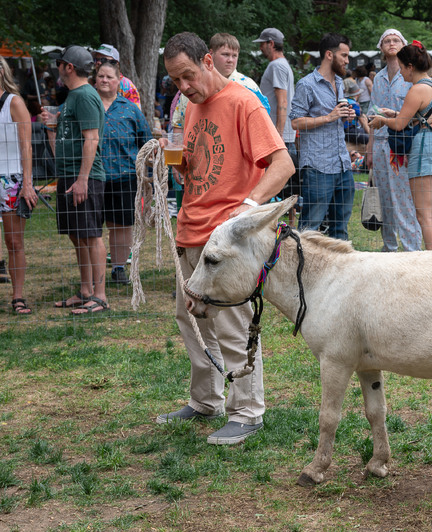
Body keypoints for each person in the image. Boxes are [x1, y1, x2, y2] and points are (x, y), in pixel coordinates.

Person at [156, 32, 294, 445]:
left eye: (187, 76)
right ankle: (205, 400)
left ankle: (247, 413)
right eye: (175, 81)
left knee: (233, 324)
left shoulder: (243, 101)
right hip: (191, 227)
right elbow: (207, 166)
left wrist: (250, 205)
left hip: (226, 240)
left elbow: (282, 163)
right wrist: (181, 166)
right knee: (193, 321)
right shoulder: (191, 107)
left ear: (208, 62)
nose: (183, 87)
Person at [43, 46, 110, 314]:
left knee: (91, 235)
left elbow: (91, 138)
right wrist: (51, 126)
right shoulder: (72, 97)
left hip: (86, 177)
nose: (57, 67)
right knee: (77, 235)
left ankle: (100, 296)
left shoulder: (84, 96)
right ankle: (85, 291)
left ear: (68, 67)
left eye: (59, 63)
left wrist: (82, 180)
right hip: (69, 175)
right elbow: (63, 142)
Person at [369, 40, 432, 250]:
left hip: (425, 150)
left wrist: (383, 121)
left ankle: (430, 260)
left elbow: (400, 125)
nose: (402, 74)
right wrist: (395, 114)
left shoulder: (417, 89)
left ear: (410, 67)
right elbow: (421, 117)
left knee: (424, 215)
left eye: (402, 67)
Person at [290, 33, 355, 241]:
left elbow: (336, 118)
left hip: (342, 164)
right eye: (344, 55)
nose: (347, 60)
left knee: (340, 230)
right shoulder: (306, 85)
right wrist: (329, 117)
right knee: (310, 229)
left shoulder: (339, 82)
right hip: (318, 167)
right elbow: (296, 122)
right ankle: (299, 270)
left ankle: (339, 271)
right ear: (329, 55)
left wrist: (345, 116)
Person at [94, 61, 151, 285]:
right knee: (93, 226)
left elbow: (145, 141)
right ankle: (93, 270)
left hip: (125, 176)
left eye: (109, 77)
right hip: (94, 176)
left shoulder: (130, 109)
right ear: (95, 80)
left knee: (121, 225)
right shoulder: (88, 105)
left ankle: (118, 268)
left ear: (119, 81)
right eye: (101, 76)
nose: (105, 80)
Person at [365, 29, 423, 252]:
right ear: (381, 47)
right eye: (387, 40)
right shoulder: (377, 78)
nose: (391, 43)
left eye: (396, 40)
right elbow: (372, 115)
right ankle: (389, 247)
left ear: (404, 45)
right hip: (379, 143)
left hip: (402, 143)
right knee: (384, 199)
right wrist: (370, 148)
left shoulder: (410, 75)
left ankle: (411, 249)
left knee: (404, 200)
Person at [0, 56, 37, 314]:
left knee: (14, 241)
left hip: (10, 179)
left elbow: (26, 146)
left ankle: (18, 296)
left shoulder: (14, 103)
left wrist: (27, 183)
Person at [255, 28, 299, 223]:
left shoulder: (276, 66)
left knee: (273, 186)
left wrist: (278, 134)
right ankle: (283, 222)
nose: (261, 48)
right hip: (280, 135)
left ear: (271, 44)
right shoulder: (283, 65)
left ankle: (275, 225)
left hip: (276, 136)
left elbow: (282, 102)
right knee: (282, 187)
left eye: (262, 44)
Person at [93, 44, 141, 109]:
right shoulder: (95, 83)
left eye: (103, 60)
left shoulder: (127, 86)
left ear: (116, 63)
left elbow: (135, 114)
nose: (98, 62)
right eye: (96, 59)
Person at [342, 79, 370, 145]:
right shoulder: (354, 104)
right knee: (368, 139)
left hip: (343, 131)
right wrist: (370, 135)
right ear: (357, 94)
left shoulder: (343, 101)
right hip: (351, 131)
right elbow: (362, 120)